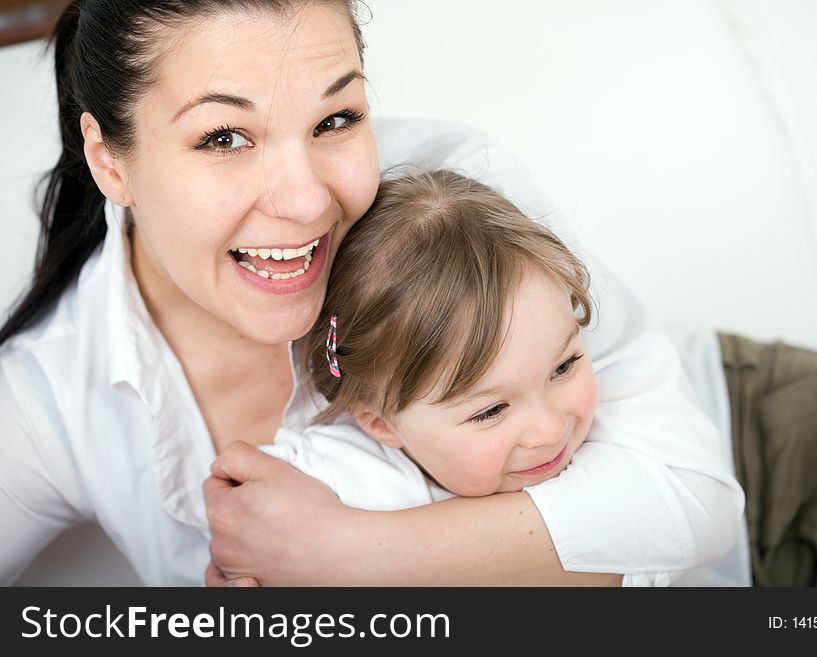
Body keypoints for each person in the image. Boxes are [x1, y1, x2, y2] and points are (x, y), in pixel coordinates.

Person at [0, 0, 743, 587]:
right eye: (225, 137)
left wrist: (350, 554)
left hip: (776, 436)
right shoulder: (55, 396)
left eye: (336, 118)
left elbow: (693, 497)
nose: (303, 199)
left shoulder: (447, 190)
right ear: (110, 161)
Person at [250, 169, 668, 585]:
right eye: (490, 411)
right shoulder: (333, 481)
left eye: (563, 366)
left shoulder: (614, 442)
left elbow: (680, 529)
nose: (550, 429)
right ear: (380, 423)